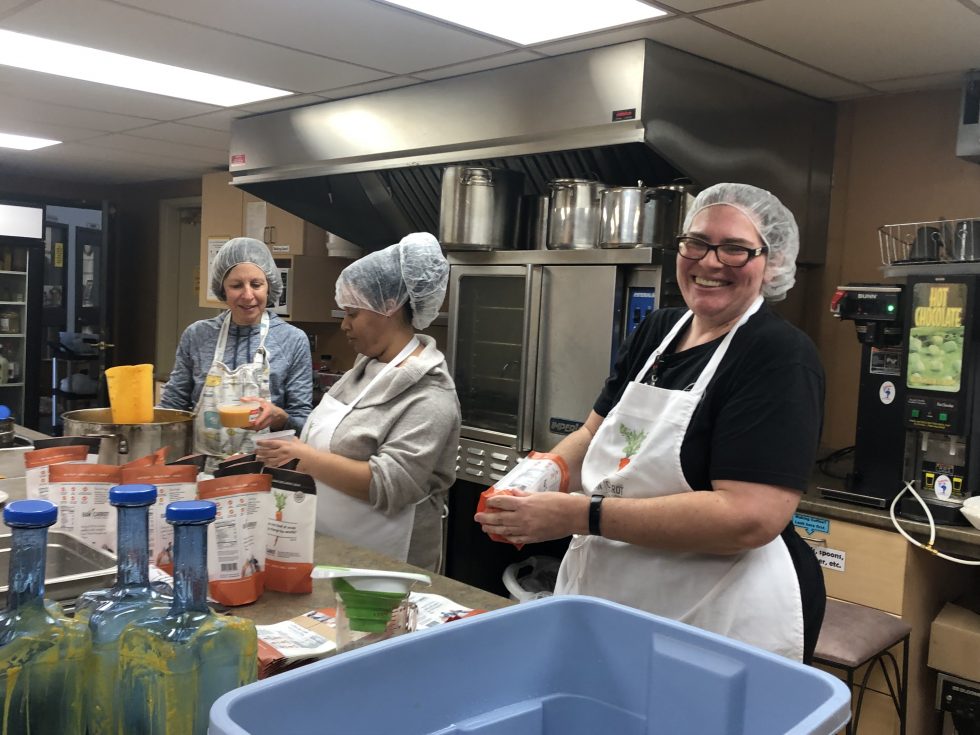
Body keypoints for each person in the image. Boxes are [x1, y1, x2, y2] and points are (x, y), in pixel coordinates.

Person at [475, 183, 826, 663]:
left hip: (716, 609)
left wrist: (578, 514)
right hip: (617, 589)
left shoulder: (778, 356)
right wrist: (538, 479)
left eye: (735, 249)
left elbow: (750, 517)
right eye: (697, 242)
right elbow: (592, 433)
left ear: (774, 262)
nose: (709, 262)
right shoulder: (659, 330)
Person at [255, 232, 460, 571]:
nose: (344, 325)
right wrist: (289, 448)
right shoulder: (365, 369)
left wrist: (305, 456)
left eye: (352, 313)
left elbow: (390, 485)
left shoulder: (431, 394)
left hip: (387, 568)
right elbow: (330, 443)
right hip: (332, 551)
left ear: (389, 308)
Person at [160, 237, 313, 461]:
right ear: (222, 289)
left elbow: (304, 424)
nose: (248, 295)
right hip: (202, 470)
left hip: (264, 471)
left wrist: (279, 417)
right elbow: (173, 407)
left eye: (256, 284)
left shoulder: (292, 340)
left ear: (269, 286)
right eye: (236, 285)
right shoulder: (197, 336)